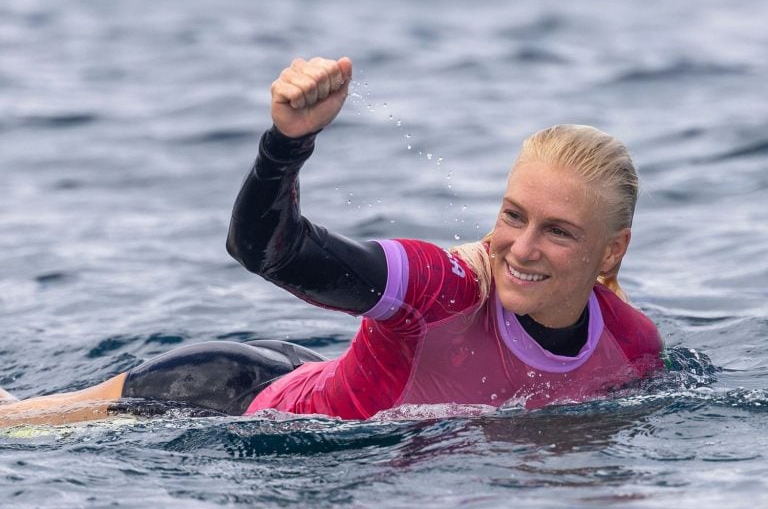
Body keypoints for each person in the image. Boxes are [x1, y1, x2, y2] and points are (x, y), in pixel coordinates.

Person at [0, 56, 663, 427]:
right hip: (217, 394)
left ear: (612, 250)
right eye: (513, 216)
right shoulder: (440, 288)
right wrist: (287, 142)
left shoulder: (633, 344)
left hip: (313, 373)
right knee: (13, 424)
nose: (519, 249)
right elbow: (268, 249)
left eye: (558, 232)